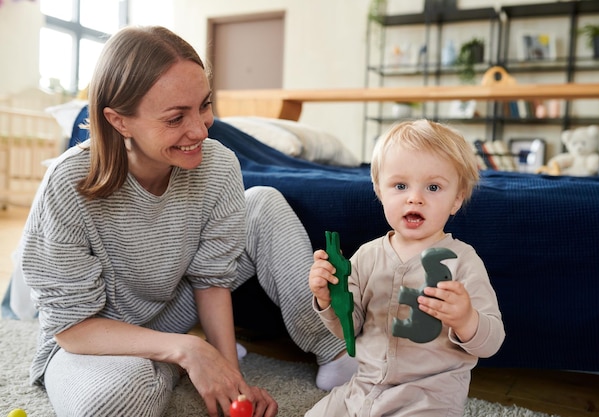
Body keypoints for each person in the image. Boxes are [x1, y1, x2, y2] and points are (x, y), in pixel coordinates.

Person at [17, 25, 355, 417]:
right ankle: (173, 363)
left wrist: (231, 379)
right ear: (119, 121)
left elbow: (212, 280)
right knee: (113, 400)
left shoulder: (218, 165)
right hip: (94, 339)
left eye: (204, 105)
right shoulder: (68, 184)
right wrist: (188, 349)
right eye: (176, 117)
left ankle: (334, 353)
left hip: (171, 311)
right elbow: (72, 328)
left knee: (263, 201)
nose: (200, 129)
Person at [307, 119, 505, 417]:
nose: (415, 197)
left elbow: (492, 342)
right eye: (400, 185)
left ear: (456, 199)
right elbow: (350, 328)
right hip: (364, 387)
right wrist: (327, 299)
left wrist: (466, 319)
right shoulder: (367, 256)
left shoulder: (463, 261)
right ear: (379, 191)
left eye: (434, 187)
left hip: (428, 400)